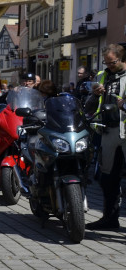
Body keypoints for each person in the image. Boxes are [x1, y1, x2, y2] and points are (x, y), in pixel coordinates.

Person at [84, 44, 126, 230]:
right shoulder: (102, 76)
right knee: (107, 178)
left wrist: (123, 105)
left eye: (112, 62)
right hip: (108, 132)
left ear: (122, 59)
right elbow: (89, 107)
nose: (108, 66)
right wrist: (94, 95)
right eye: (106, 62)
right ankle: (110, 219)